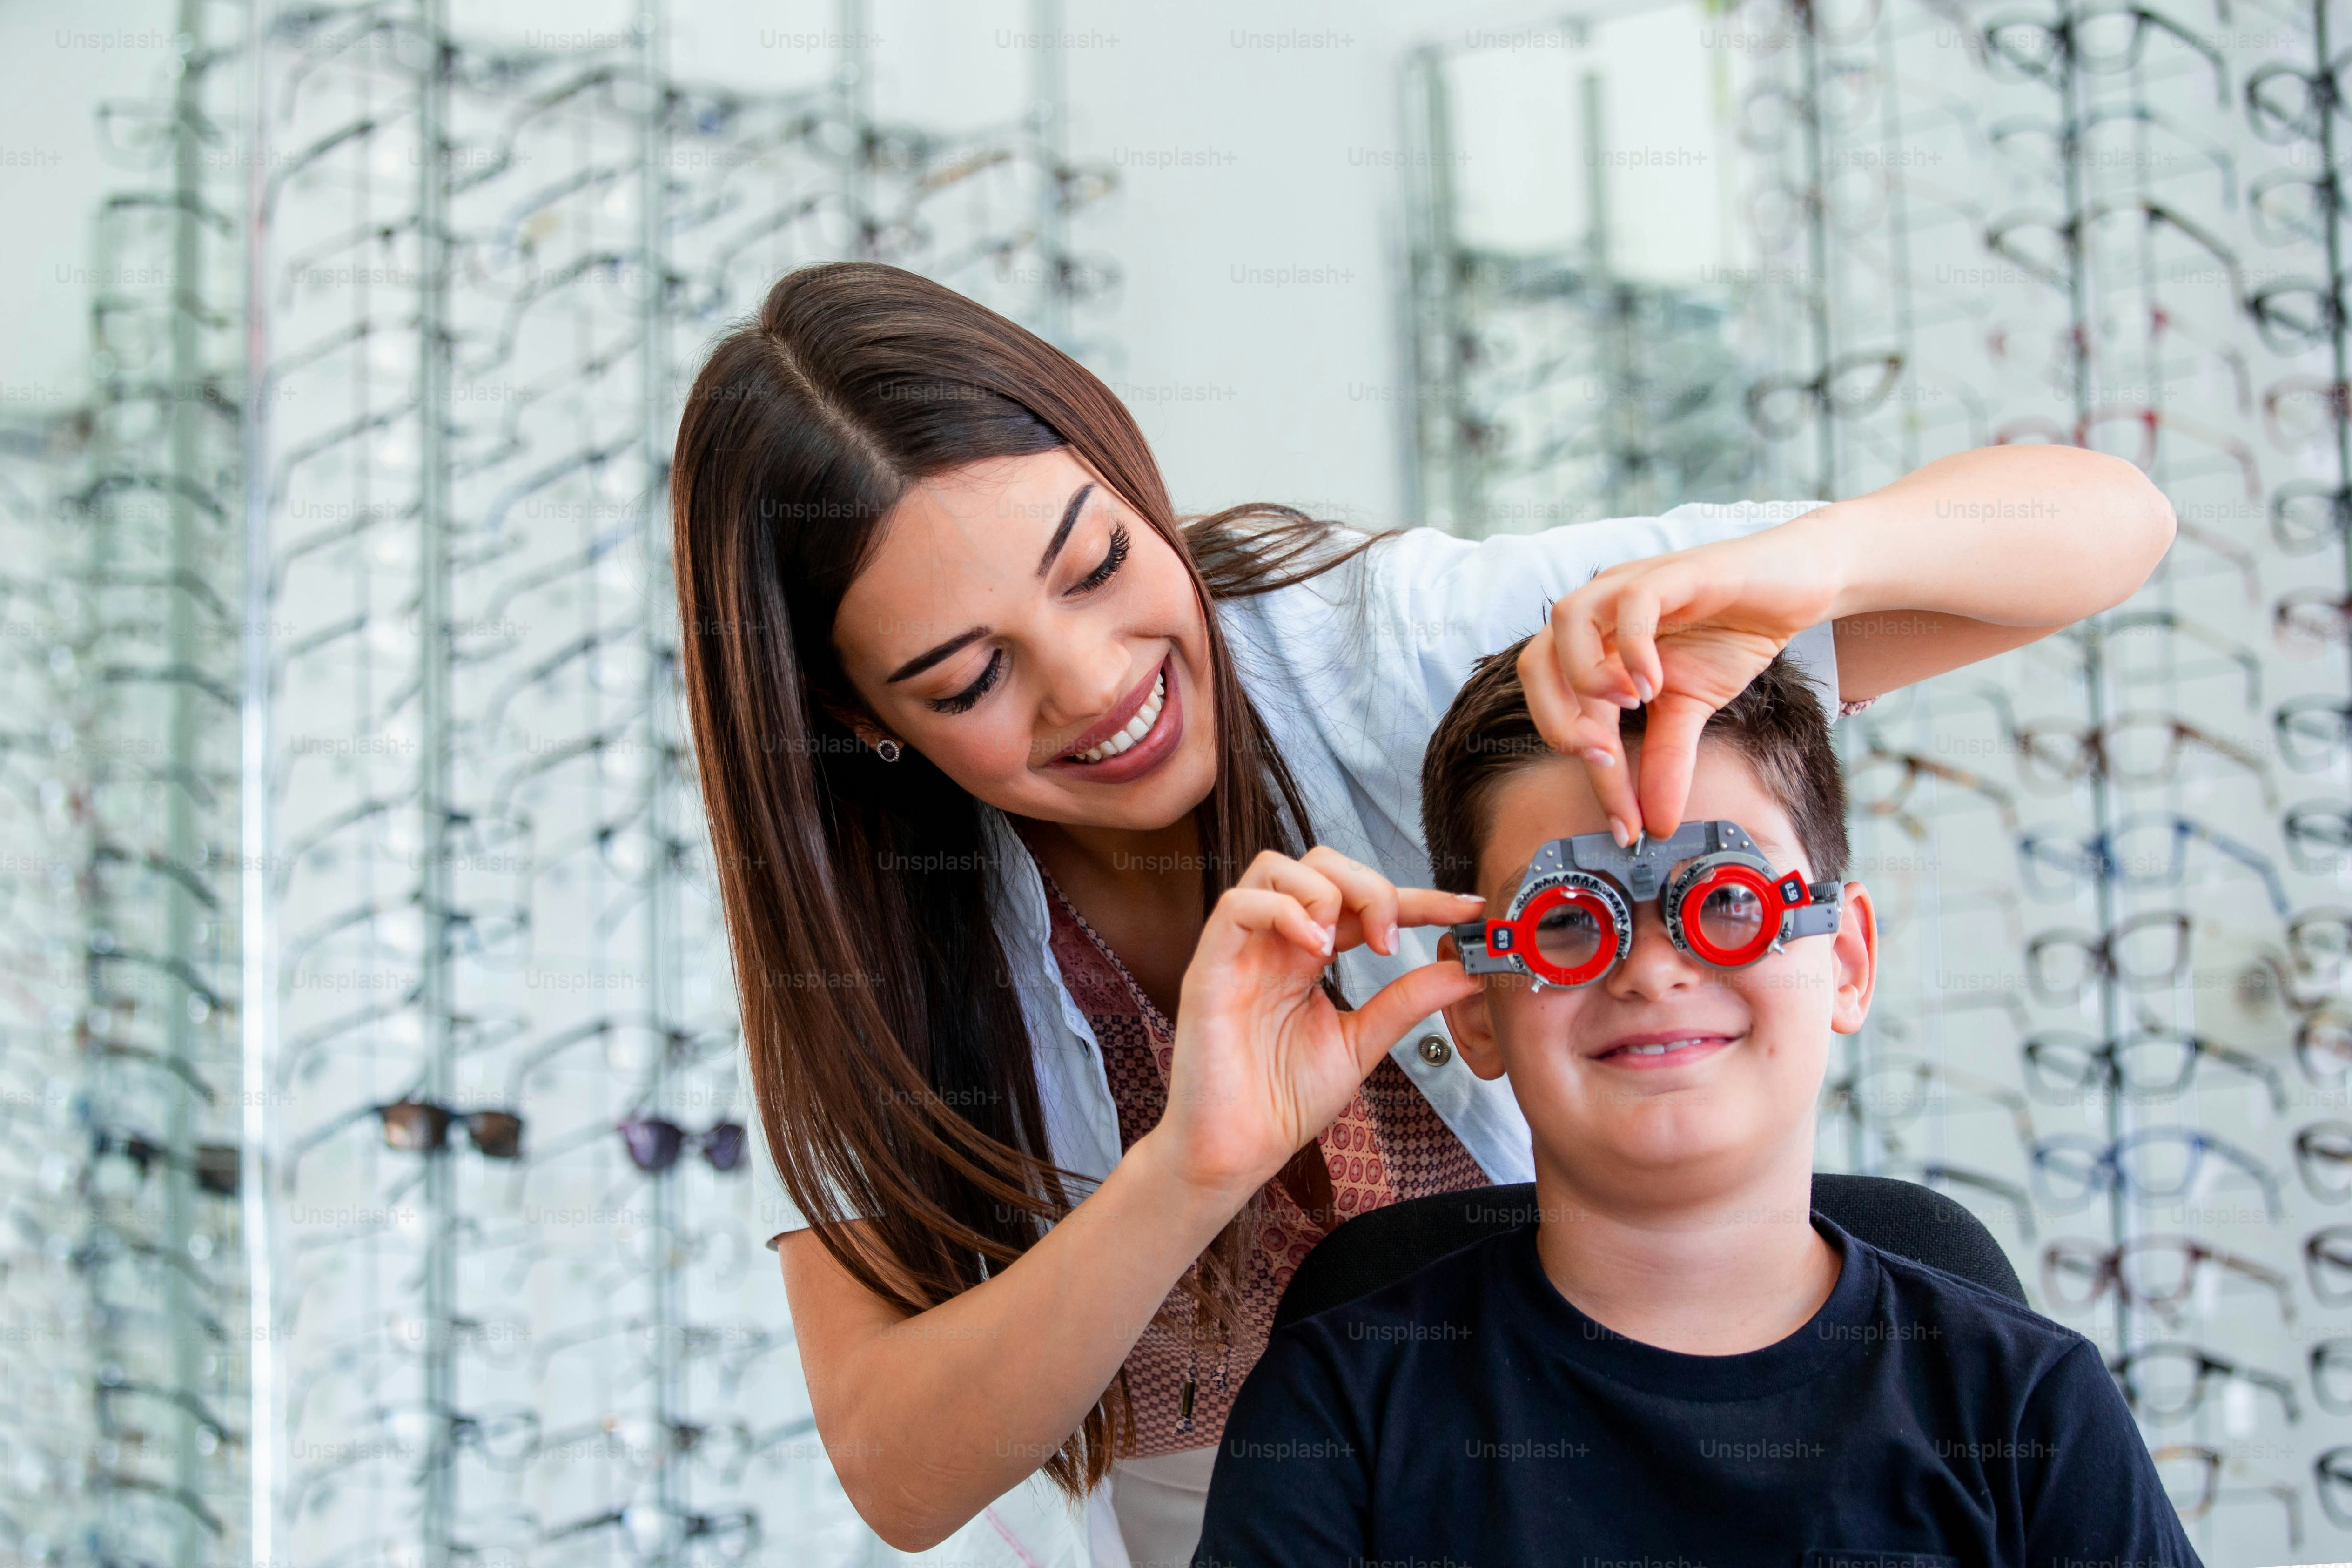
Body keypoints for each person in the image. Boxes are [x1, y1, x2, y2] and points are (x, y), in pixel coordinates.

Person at [668, 260, 2175, 1566]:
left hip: (1589, 1431)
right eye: (966, 679)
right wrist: (1191, 1168)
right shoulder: (867, 937)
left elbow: (2100, 521)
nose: (1094, 682)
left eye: (1103, 564)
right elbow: (898, 1467)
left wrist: (1791, 567)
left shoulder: (1398, 649)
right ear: (859, 719)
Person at [1189, 651, 2203, 1568]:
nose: (1653, 970)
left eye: (1724, 901)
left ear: (1844, 960)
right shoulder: (1341, 1408)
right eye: (1568, 919)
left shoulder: (2026, 1408)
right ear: (1479, 1006)